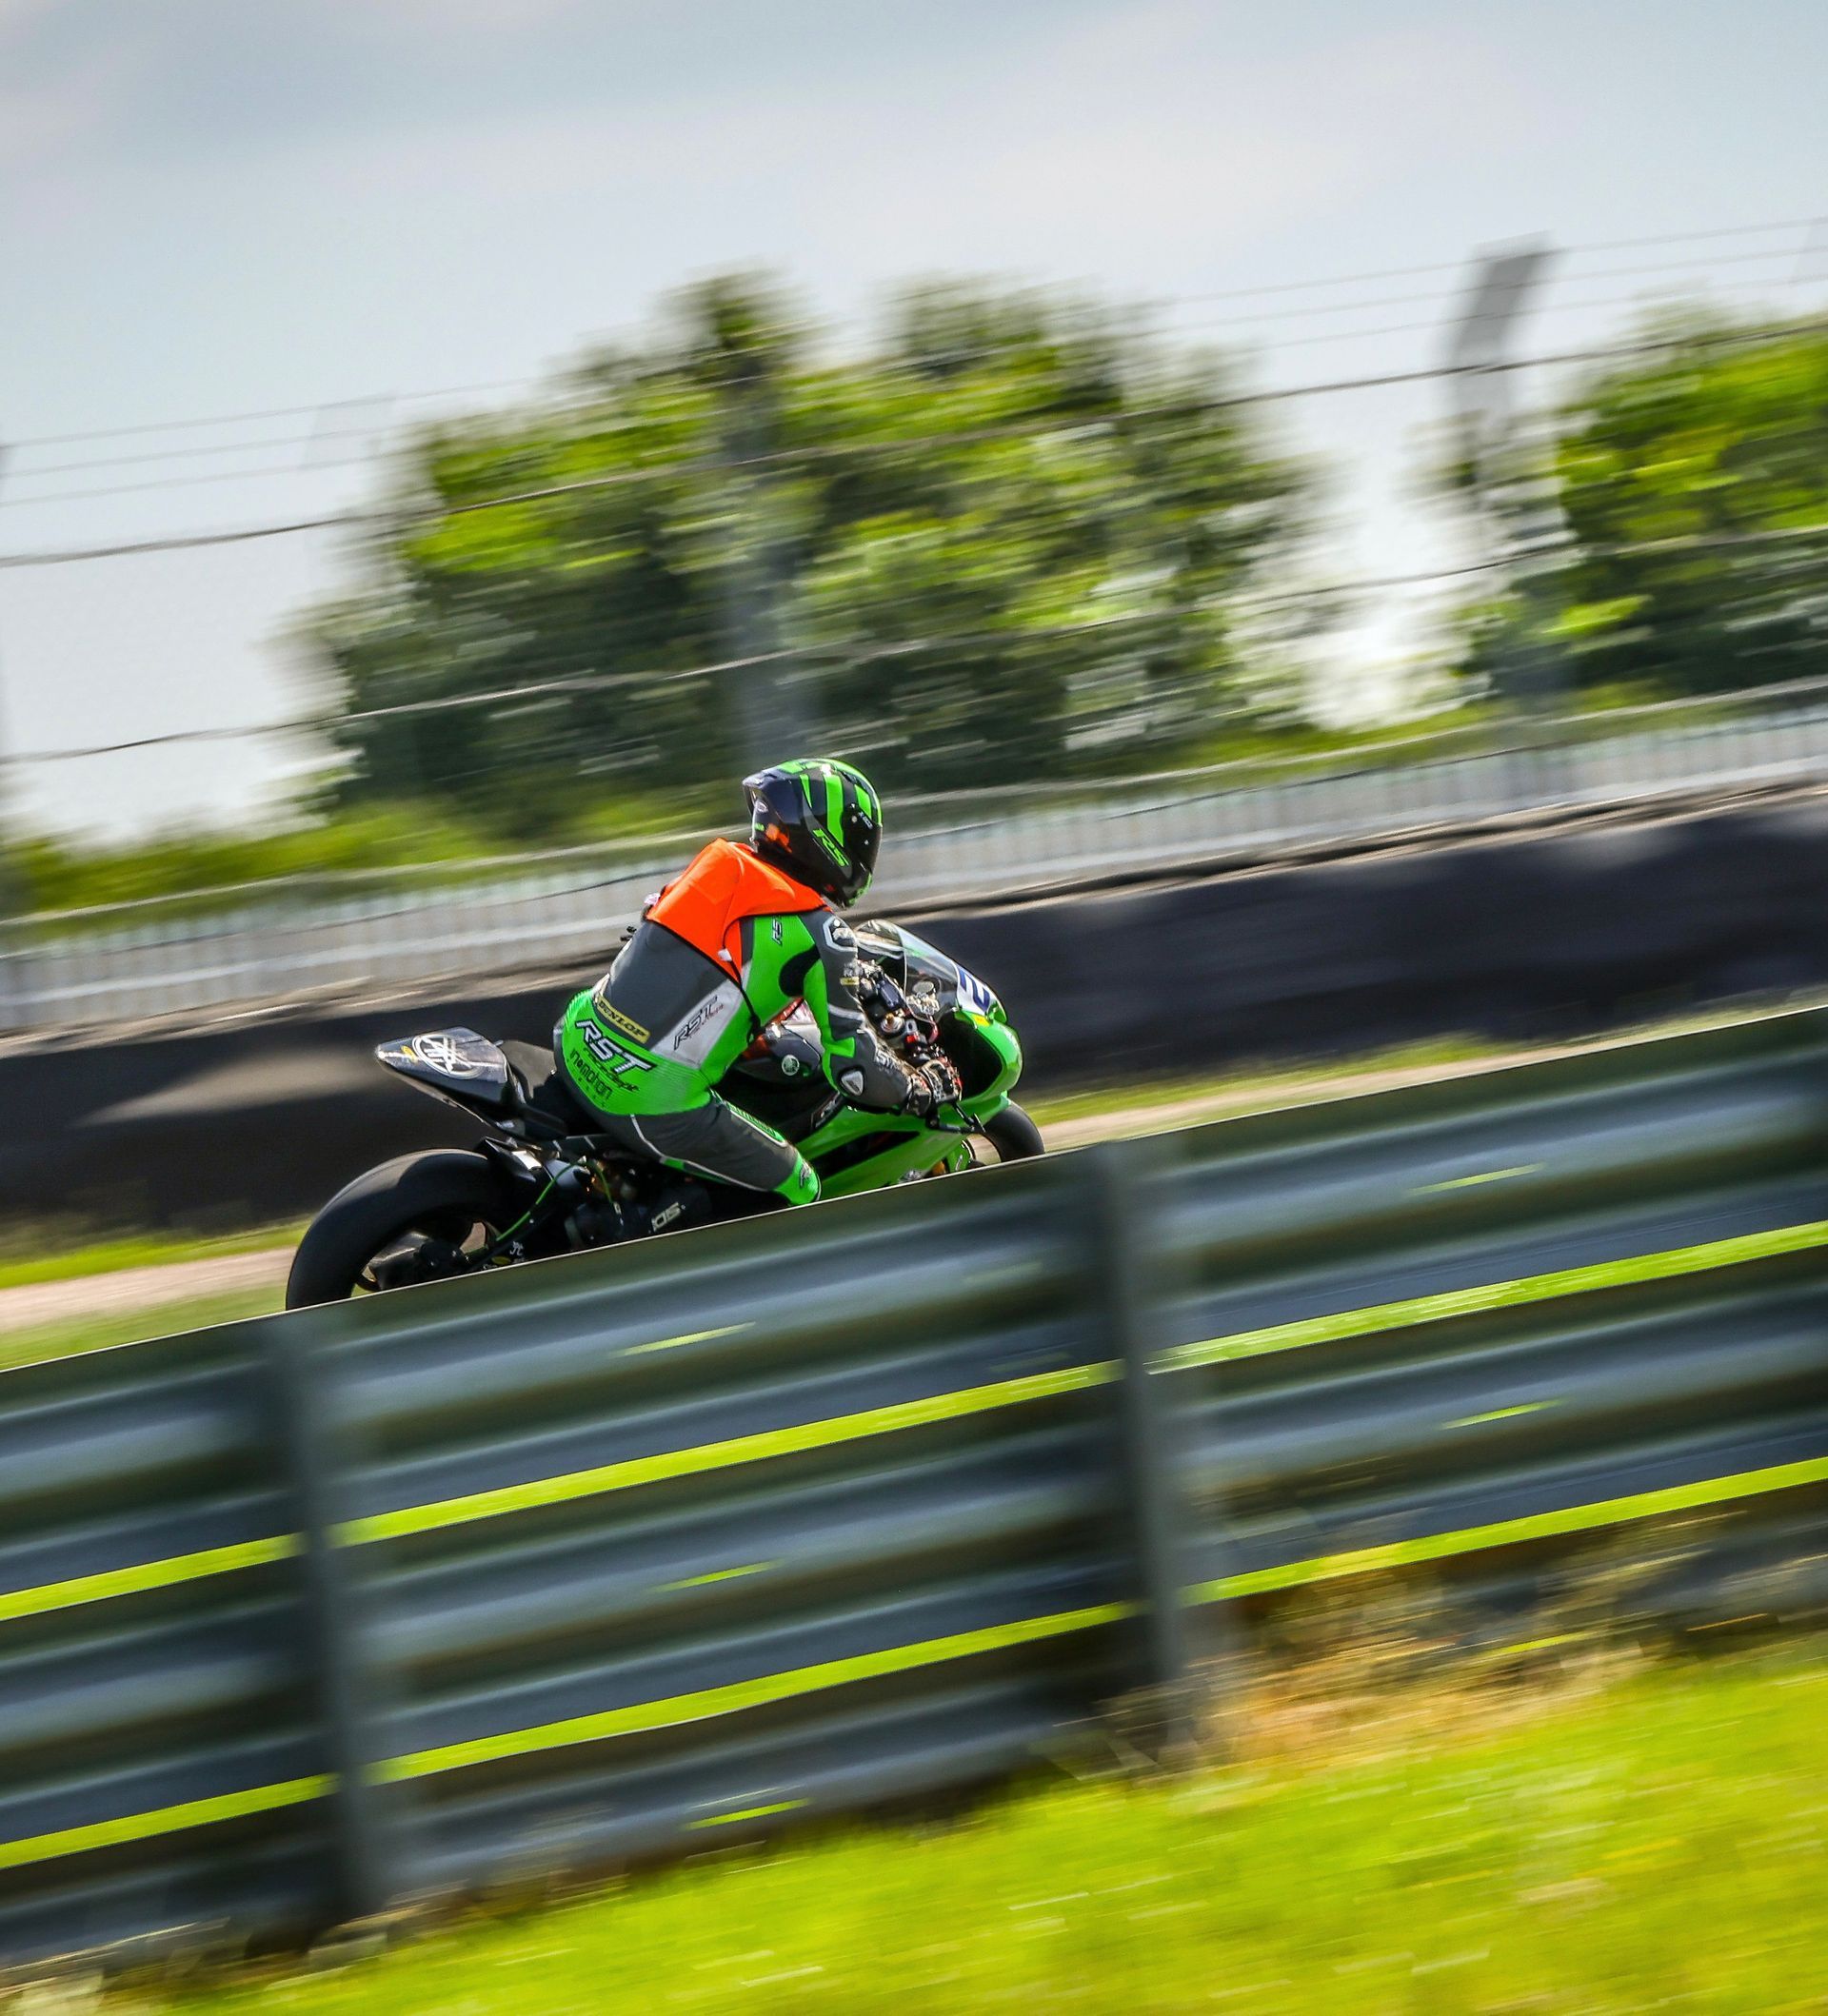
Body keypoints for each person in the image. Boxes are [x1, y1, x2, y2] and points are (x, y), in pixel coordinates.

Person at [553, 758, 962, 1212]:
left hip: (576, 1038)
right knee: (800, 1186)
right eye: (861, 839)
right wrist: (917, 1087)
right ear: (826, 834)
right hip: (644, 1097)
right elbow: (855, 1070)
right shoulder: (822, 934)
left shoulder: (718, 862)